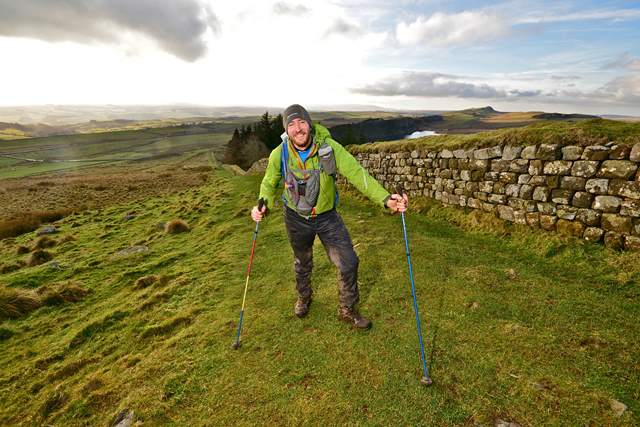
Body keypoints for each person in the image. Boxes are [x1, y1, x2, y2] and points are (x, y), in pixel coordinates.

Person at [251, 104, 407, 330]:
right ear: (287, 129)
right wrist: (262, 203)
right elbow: (268, 182)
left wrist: (385, 198)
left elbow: (356, 173)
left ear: (309, 124)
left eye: (302, 122)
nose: (298, 129)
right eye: (292, 124)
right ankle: (304, 297)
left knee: (348, 262)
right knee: (302, 262)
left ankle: (347, 309)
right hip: (295, 217)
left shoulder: (329, 148)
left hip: (327, 217)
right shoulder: (280, 153)